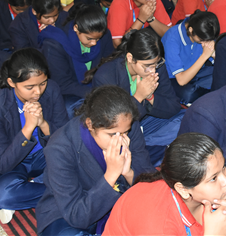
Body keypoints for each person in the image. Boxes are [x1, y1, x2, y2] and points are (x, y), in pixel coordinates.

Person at [36, 85, 155, 236]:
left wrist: (129, 173)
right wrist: (111, 175)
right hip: (69, 212)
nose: (119, 140)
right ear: (90, 124)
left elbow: (149, 179)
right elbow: (76, 216)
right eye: (112, 134)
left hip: (118, 203)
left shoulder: (126, 126)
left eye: (124, 133)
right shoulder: (59, 147)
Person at [0, 48, 69, 224]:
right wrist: (28, 128)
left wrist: (43, 124)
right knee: (1, 194)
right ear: (11, 82)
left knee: (84, 162)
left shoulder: (51, 89)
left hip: (43, 155)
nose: (38, 92)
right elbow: (2, 164)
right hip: (11, 161)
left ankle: (37, 191)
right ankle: (64, 193)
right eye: (29, 87)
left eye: (42, 83)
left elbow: (65, 140)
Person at [103, 132, 226, 236]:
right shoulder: (159, 225)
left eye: (224, 168)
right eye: (213, 178)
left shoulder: (221, 191)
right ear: (183, 190)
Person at [92, 28, 183, 165]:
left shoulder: (156, 66)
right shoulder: (106, 76)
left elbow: (173, 106)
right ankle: (147, 150)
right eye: (147, 66)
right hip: (123, 130)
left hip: (146, 121)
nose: (152, 70)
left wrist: (150, 97)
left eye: (156, 64)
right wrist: (138, 97)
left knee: (186, 118)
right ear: (130, 58)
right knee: (122, 145)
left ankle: (149, 148)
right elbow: (113, 123)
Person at [39, 4, 114, 115]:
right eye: (89, 38)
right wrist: (95, 93)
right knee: (72, 109)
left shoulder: (104, 36)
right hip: (69, 93)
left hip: (98, 86)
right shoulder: (55, 45)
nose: (94, 43)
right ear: (76, 28)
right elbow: (62, 84)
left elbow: (108, 66)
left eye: (98, 39)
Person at [162, 10, 219, 105]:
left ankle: (209, 95)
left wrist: (214, 55)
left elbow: (221, 65)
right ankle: (212, 95)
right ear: (191, 30)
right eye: (202, 40)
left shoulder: (204, 33)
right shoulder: (172, 38)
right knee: (188, 94)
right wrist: (204, 56)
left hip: (197, 72)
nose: (206, 42)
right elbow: (181, 80)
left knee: (224, 74)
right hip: (174, 79)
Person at [107, 0, 172, 47]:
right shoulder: (120, 3)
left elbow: (170, 34)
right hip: (123, 49)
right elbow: (118, 44)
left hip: (142, 43)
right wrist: (141, 19)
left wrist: (150, 18)